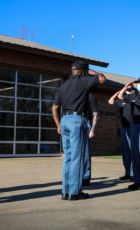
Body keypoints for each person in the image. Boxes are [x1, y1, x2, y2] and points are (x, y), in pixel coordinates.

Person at [52, 61, 106, 201]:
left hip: (64, 120)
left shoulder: (63, 85)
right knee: (77, 158)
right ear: (82, 71)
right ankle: (75, 193)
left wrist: (58, 124)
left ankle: (65, 191)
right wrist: (91, 71)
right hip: (76, 120)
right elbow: (102, 78)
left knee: (68, 158)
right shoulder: (83, 80)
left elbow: (54, 108)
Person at [108, 87, 135, 181]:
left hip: (132, 127)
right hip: (124, 128)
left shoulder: (134, 101)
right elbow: (110, 101)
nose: (126, 92)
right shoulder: (121, 101)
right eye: (126, 91)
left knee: (132, 151)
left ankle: (133, 173)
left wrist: (128, 93)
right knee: (125, 152)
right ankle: (127, 173)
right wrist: (118, 92)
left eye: (129, 90)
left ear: (133, 92)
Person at [82, 93, 99, 186]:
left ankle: (85, 177)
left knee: (85, 153)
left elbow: (95, 114)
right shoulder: (76, 94)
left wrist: (92, 129)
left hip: (86, 123)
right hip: (75, 121)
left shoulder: (90, 97)